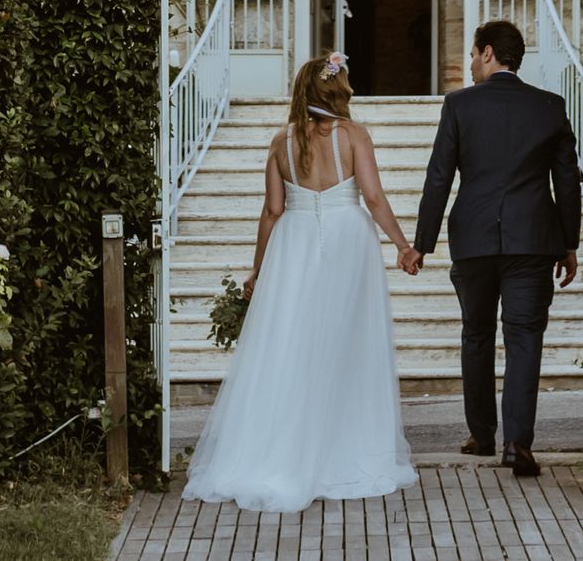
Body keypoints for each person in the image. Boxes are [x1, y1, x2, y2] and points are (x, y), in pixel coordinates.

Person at [179, 51, 419, 514]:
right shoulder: (352, 135)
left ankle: (281, 448)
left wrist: (258, 268)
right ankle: (343, 450)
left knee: (292, 343)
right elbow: (372, 197)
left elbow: (272, 211)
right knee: (349, 345)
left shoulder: (280, 142)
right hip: (348, 241)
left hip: (294, 241)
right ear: (337, 89)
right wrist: (402, 246)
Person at [407, 18, 583, 477]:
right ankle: (518, 444)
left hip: (475, 239)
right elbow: (566, 181)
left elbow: (439, 176)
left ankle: (482, 434)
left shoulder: (460, 106)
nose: (469, 64)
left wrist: (421, 244)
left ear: (488, 52)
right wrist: (569, 243)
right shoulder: (550, 107)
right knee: (525, 338)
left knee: (477, 334)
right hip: (532, 241)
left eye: (471, 54)